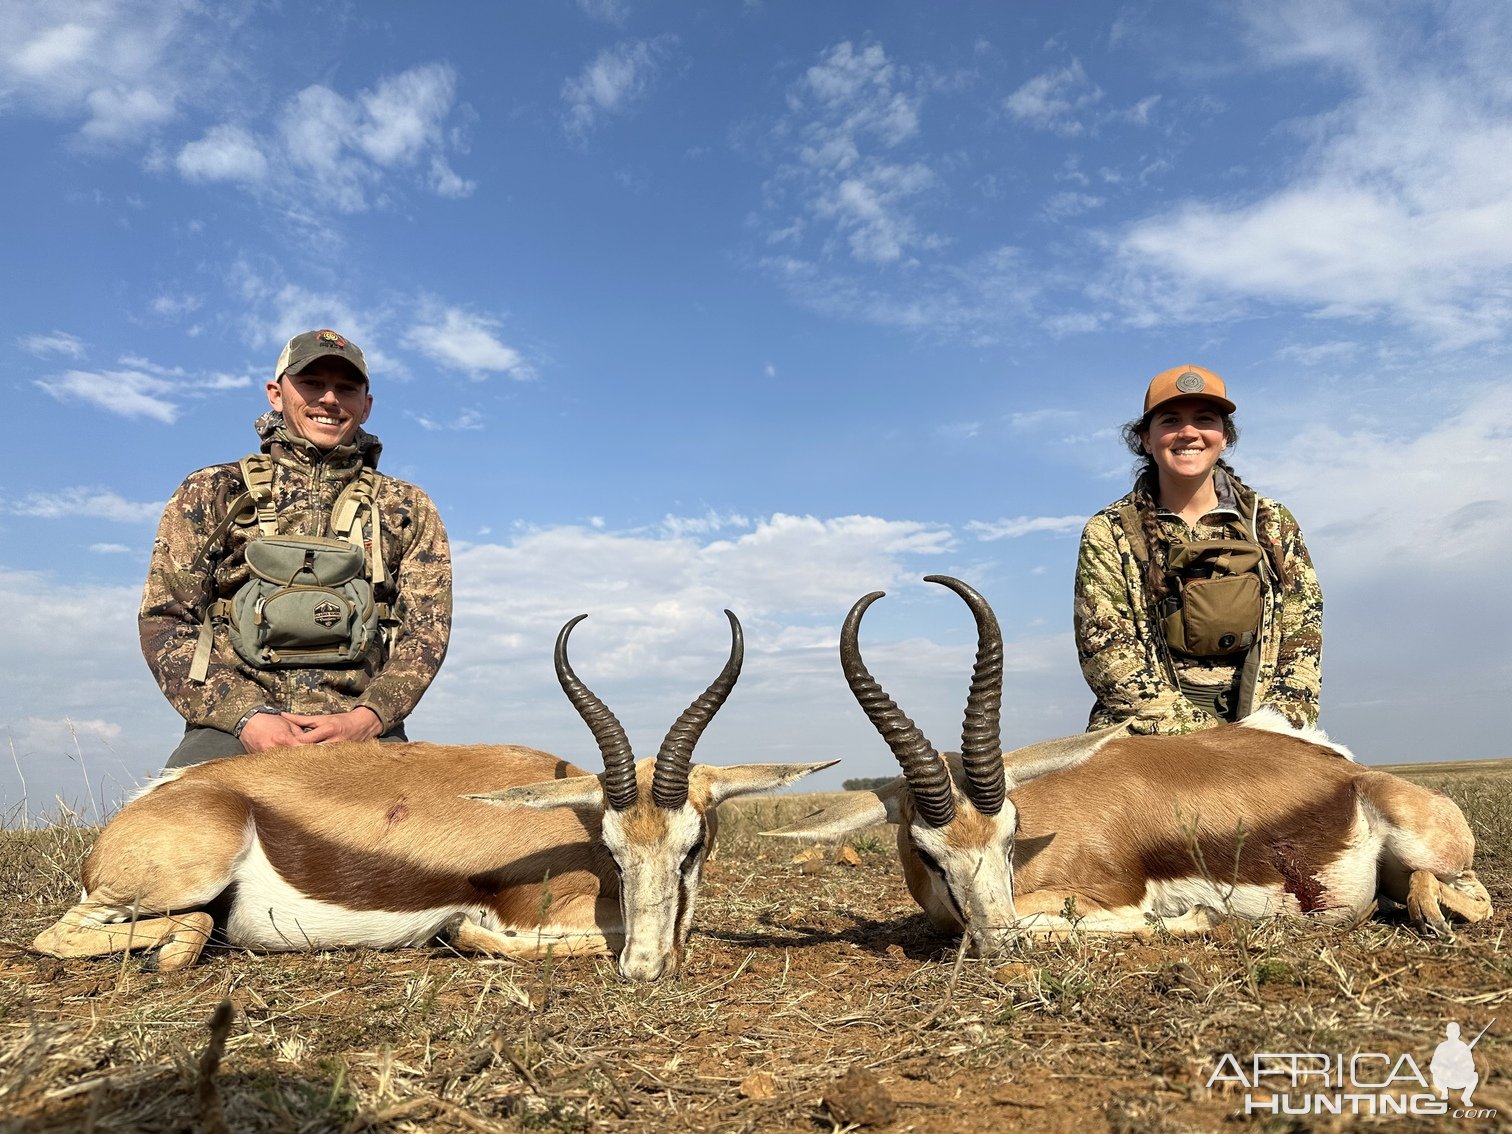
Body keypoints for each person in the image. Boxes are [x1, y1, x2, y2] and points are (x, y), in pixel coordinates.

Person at [140, 329, 452, 767]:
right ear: (275, 393)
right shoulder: (211, 490)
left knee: (423, 829)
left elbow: (427, 632)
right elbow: (165, 620)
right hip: (232, 728)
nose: (329, 398)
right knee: (169, 824)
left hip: (363, 732)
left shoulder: (407, 506)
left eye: (346, 388)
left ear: (367, 405)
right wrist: (245, 716)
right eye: (311, 383)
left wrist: (369, 717)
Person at [1073, 364, 1321, 734]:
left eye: (1205, 419)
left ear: (1225, 437)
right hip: (1146, 731)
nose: (1188, 433)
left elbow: (1303, 631)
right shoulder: (1109, 530)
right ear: (1145, 439)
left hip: (1263, 729)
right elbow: (1106, 653)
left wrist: (1276, 727)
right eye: (1170, 421)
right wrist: (1204, 738)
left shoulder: (1270, 521)